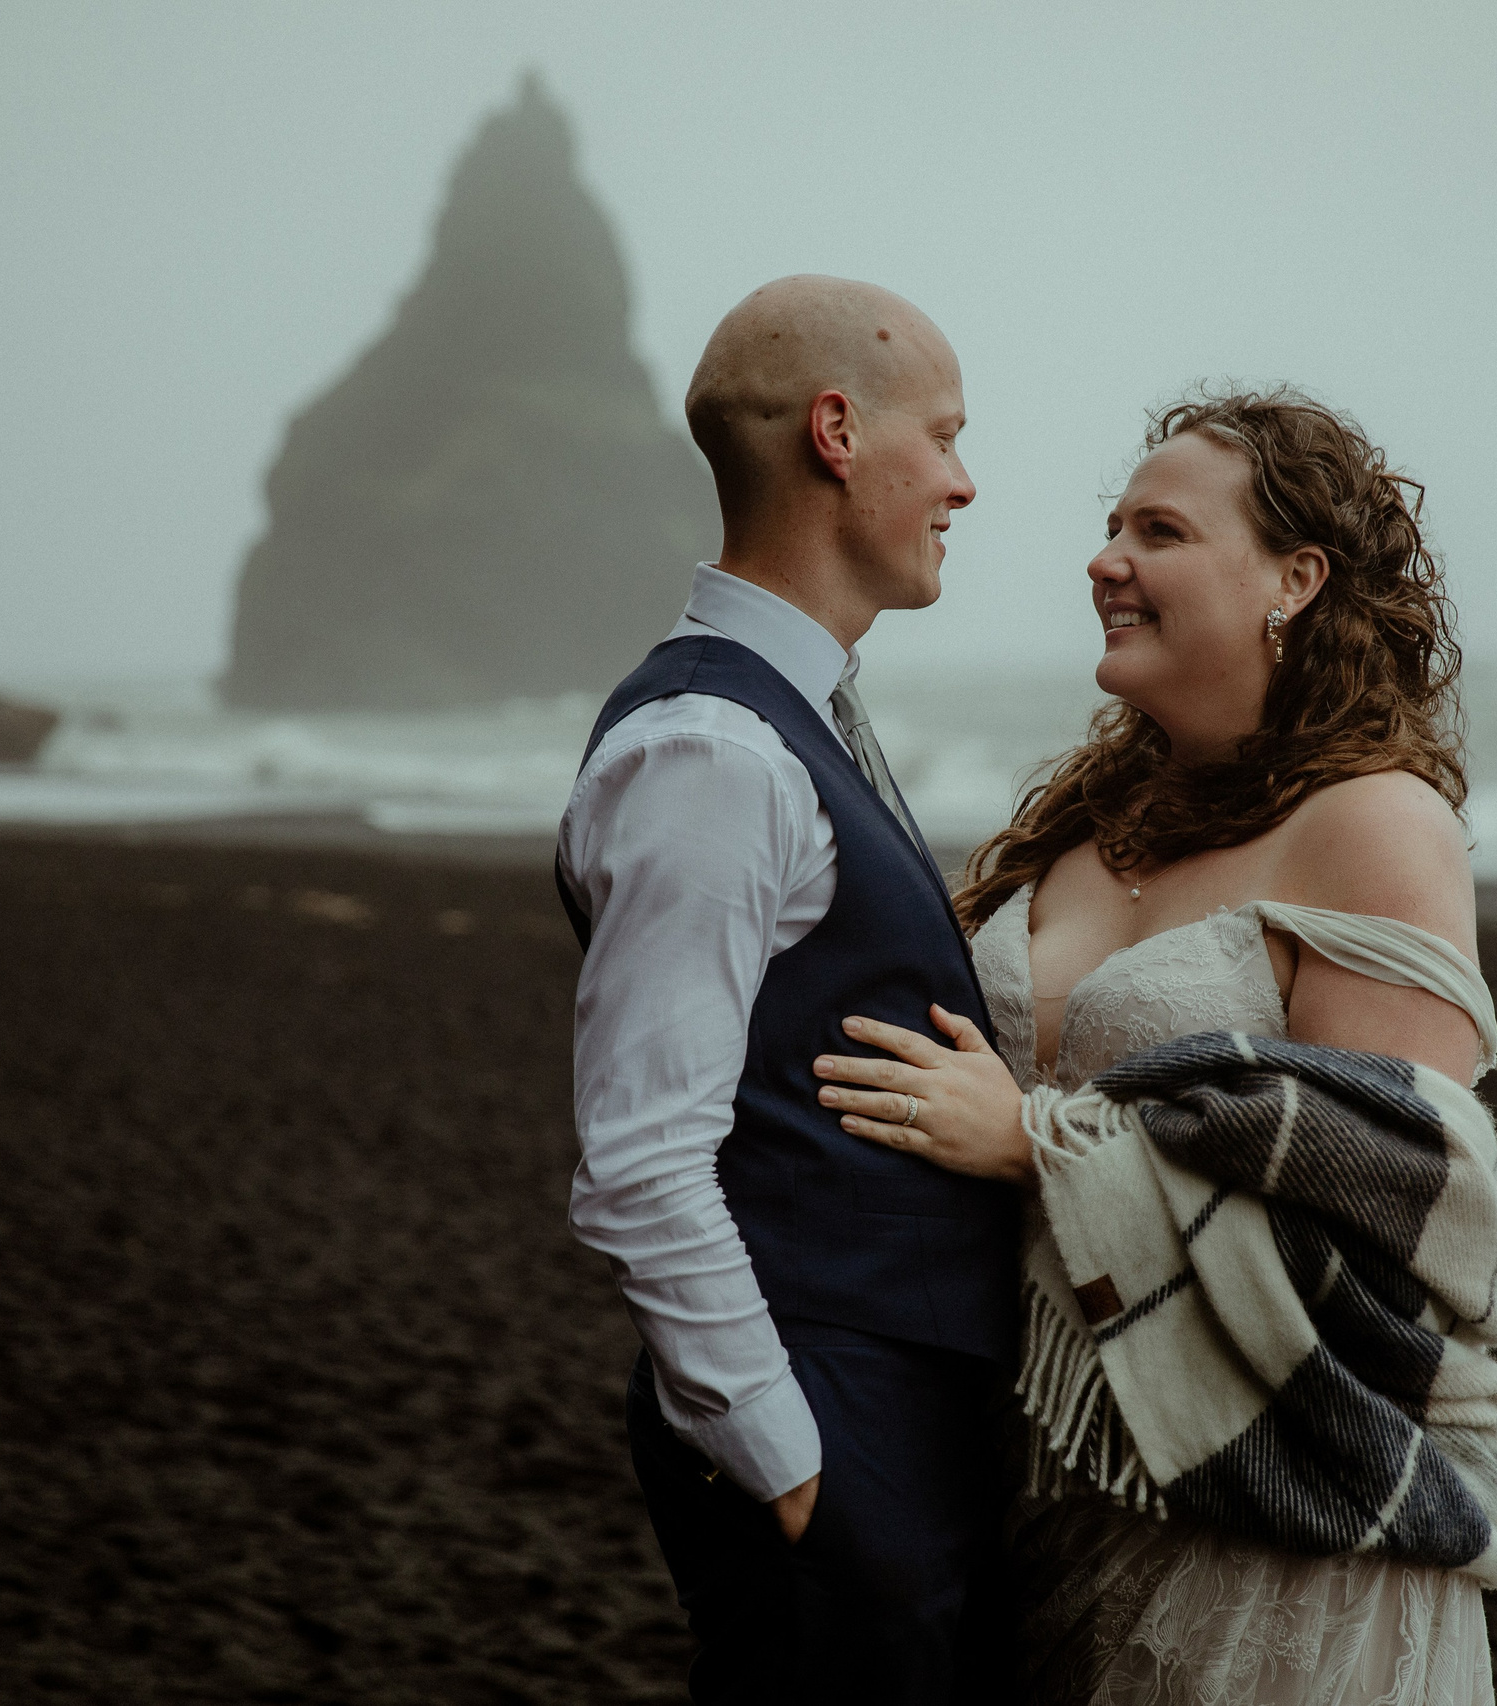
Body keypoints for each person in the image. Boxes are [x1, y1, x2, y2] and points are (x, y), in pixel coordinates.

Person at [812, 388, 1497, 1704]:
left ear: (1294, 578)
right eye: (1110, 526)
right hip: (1052, 1488)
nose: (1104, 559)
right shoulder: (1086, 821)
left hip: (1283, 1535)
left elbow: (1394, 1214)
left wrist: (1035, 1147)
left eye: (1160, 530)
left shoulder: (1373, 825)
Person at [556, 275, 1024, 1704]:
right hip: (826, 1420)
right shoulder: (712, 752)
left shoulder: (788, 719)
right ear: (836, 431)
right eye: (942, 434)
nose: (964, 478)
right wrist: (795, 1461)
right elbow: (639, 1156)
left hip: (893, 1415)